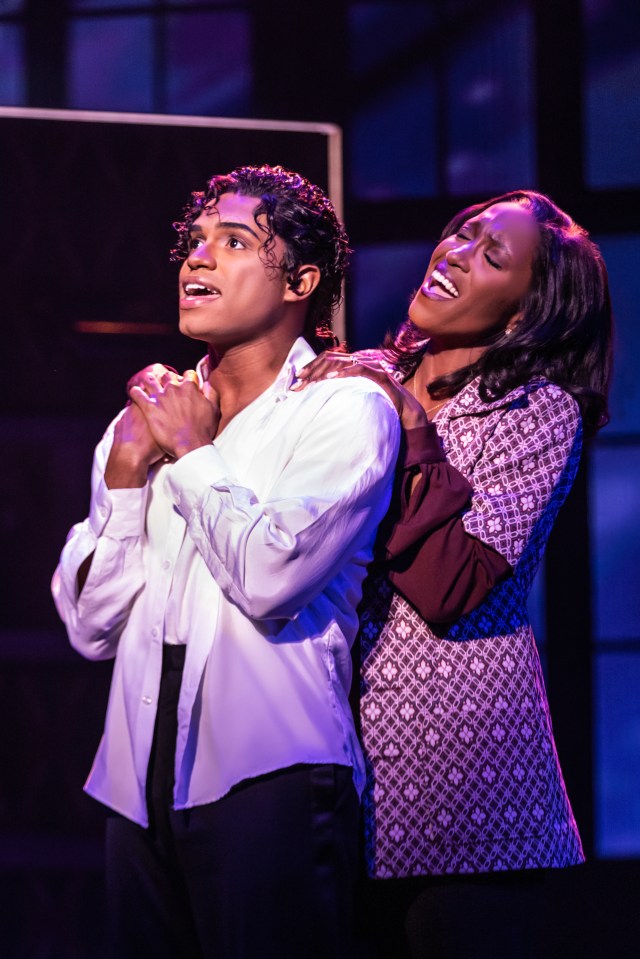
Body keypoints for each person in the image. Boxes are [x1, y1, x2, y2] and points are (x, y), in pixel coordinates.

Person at [51, 164, 401, 959]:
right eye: (196, 242)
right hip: (137, 784)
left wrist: (192, 450)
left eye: (234, 241)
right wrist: (124, 476)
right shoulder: (142, 423)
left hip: (270, 776)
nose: (197, 259)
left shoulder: (345, 409)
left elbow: (271, 576)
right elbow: (89, 625)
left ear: (300, 280)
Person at [295, 190, 613, 958]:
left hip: (467, 804)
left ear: (524, 311)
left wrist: (404, 422)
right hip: (346, 773)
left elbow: (453, 582)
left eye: (491, 255)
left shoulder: (538, 412)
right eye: (462, 233)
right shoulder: (365, 378)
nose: (457, 253)